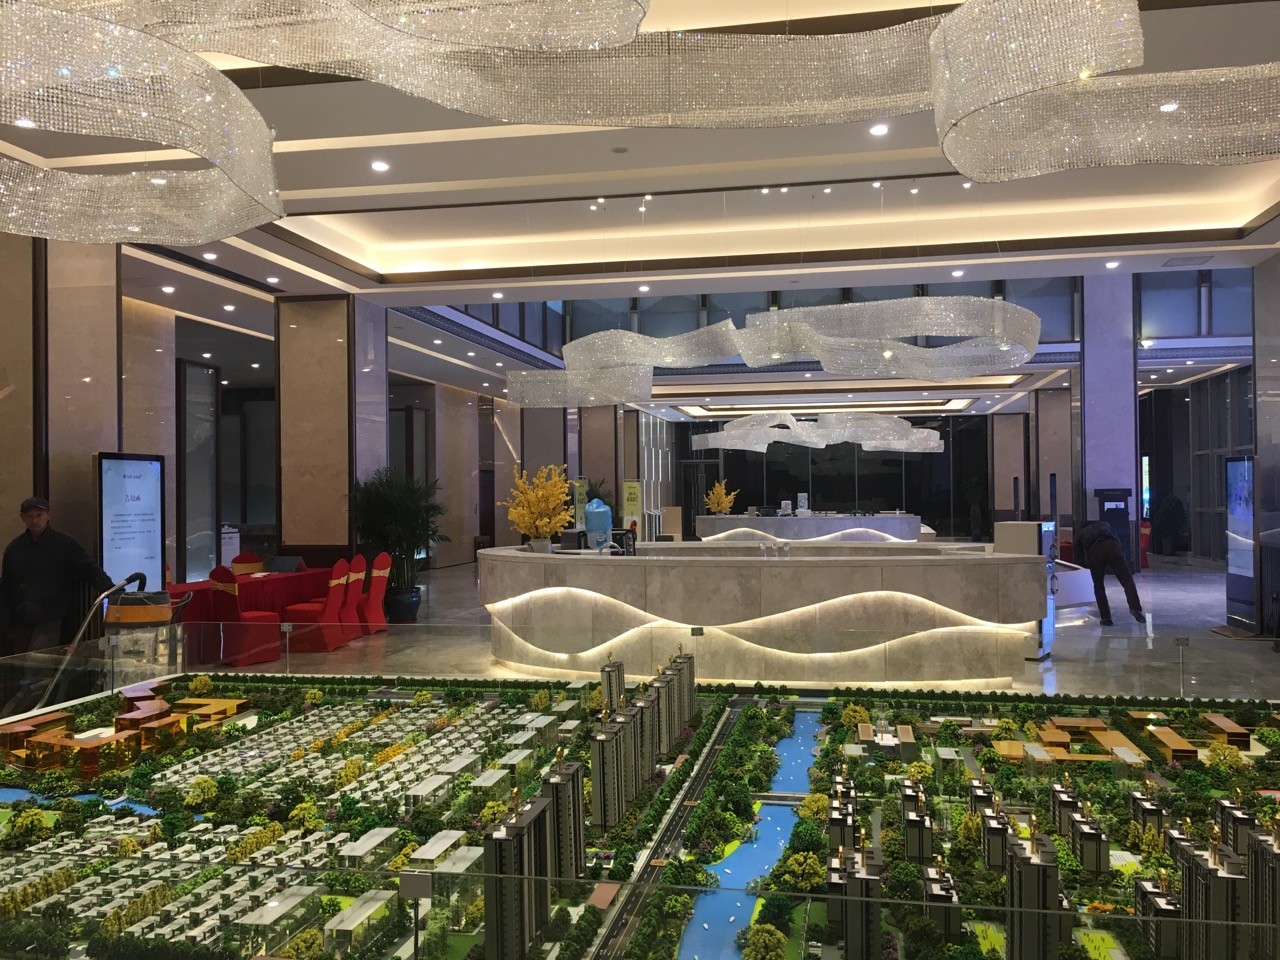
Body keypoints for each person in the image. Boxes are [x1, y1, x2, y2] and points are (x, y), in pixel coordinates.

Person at [0, 497, 114, 709]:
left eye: (39, 515)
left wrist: (111, 589)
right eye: (29, 516)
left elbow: (89, 568)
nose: (35, 520)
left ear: (48, 516)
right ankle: (24, 711)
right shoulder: (15, 549)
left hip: (49, 617)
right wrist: (5, 621)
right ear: (22, 518)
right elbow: (6, 586)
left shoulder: (63, 544)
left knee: (39, 668)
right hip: (19, 619)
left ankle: (36, 712)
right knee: (20, 668)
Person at [1073, 520, 1145, 626]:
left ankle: (1106, 618)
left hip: (1095, 550)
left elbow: (1078, 554)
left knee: (1099, 586)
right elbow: (1117, 539)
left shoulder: (1082, 532)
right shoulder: (1106, 525)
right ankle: (1135, 608)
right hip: (1112, 546)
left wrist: (1085, 567)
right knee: (1127, 580)